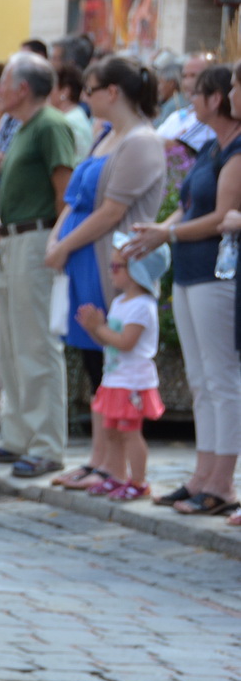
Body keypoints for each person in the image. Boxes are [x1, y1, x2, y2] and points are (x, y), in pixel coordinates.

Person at [43, 55, 167, 493]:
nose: (84, 97)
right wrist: (57, 240)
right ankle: (98, 459)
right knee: (93, 357)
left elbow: (112, 212)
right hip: (83, 258)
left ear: (112, 92)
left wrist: (64, 245)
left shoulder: (141, 142)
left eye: (90, 89)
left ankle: (113, 466)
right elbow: (78, 202)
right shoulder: (108, 136)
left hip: (109, 263)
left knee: (108, 360)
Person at [126, 62, 241, 516]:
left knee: (221, 378)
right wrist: (162, 227)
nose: (190, 100)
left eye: (198, 93)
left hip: (218, 271)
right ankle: (202, 474)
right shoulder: (213, 147)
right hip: (194, 270)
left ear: (216, 100)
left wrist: (168, 235)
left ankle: (222, 481)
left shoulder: (236, 152)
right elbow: (192, 206)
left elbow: (220, 218)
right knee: (200, 379)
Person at [0, 51, 80, 479]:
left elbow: (65, 189)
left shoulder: (50, 125)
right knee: (15, 342)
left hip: (38, 238)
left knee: (36, 343)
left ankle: (46, 444)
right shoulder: (23, 126)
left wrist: (57, 242)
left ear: (22, 88)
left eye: (4, 81)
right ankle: (18, 435)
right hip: (16, 238)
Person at [72, 241, 170, 500]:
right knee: (111, 432)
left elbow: (126, 342)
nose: (111, 271)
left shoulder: (142, 305)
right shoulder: (120, 302)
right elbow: (108, 342)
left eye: (117, 266)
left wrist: (99, 327)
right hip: (115, 379)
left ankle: (138, 481)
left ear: (139, 270)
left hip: (132, 383)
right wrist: (94, 329)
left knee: (129, 433)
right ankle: (116, 475)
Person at [52, 65, 95, 159]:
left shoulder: (67, 122)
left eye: (52, 87)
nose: (48, 92)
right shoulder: (76, 114)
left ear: (65, 91)